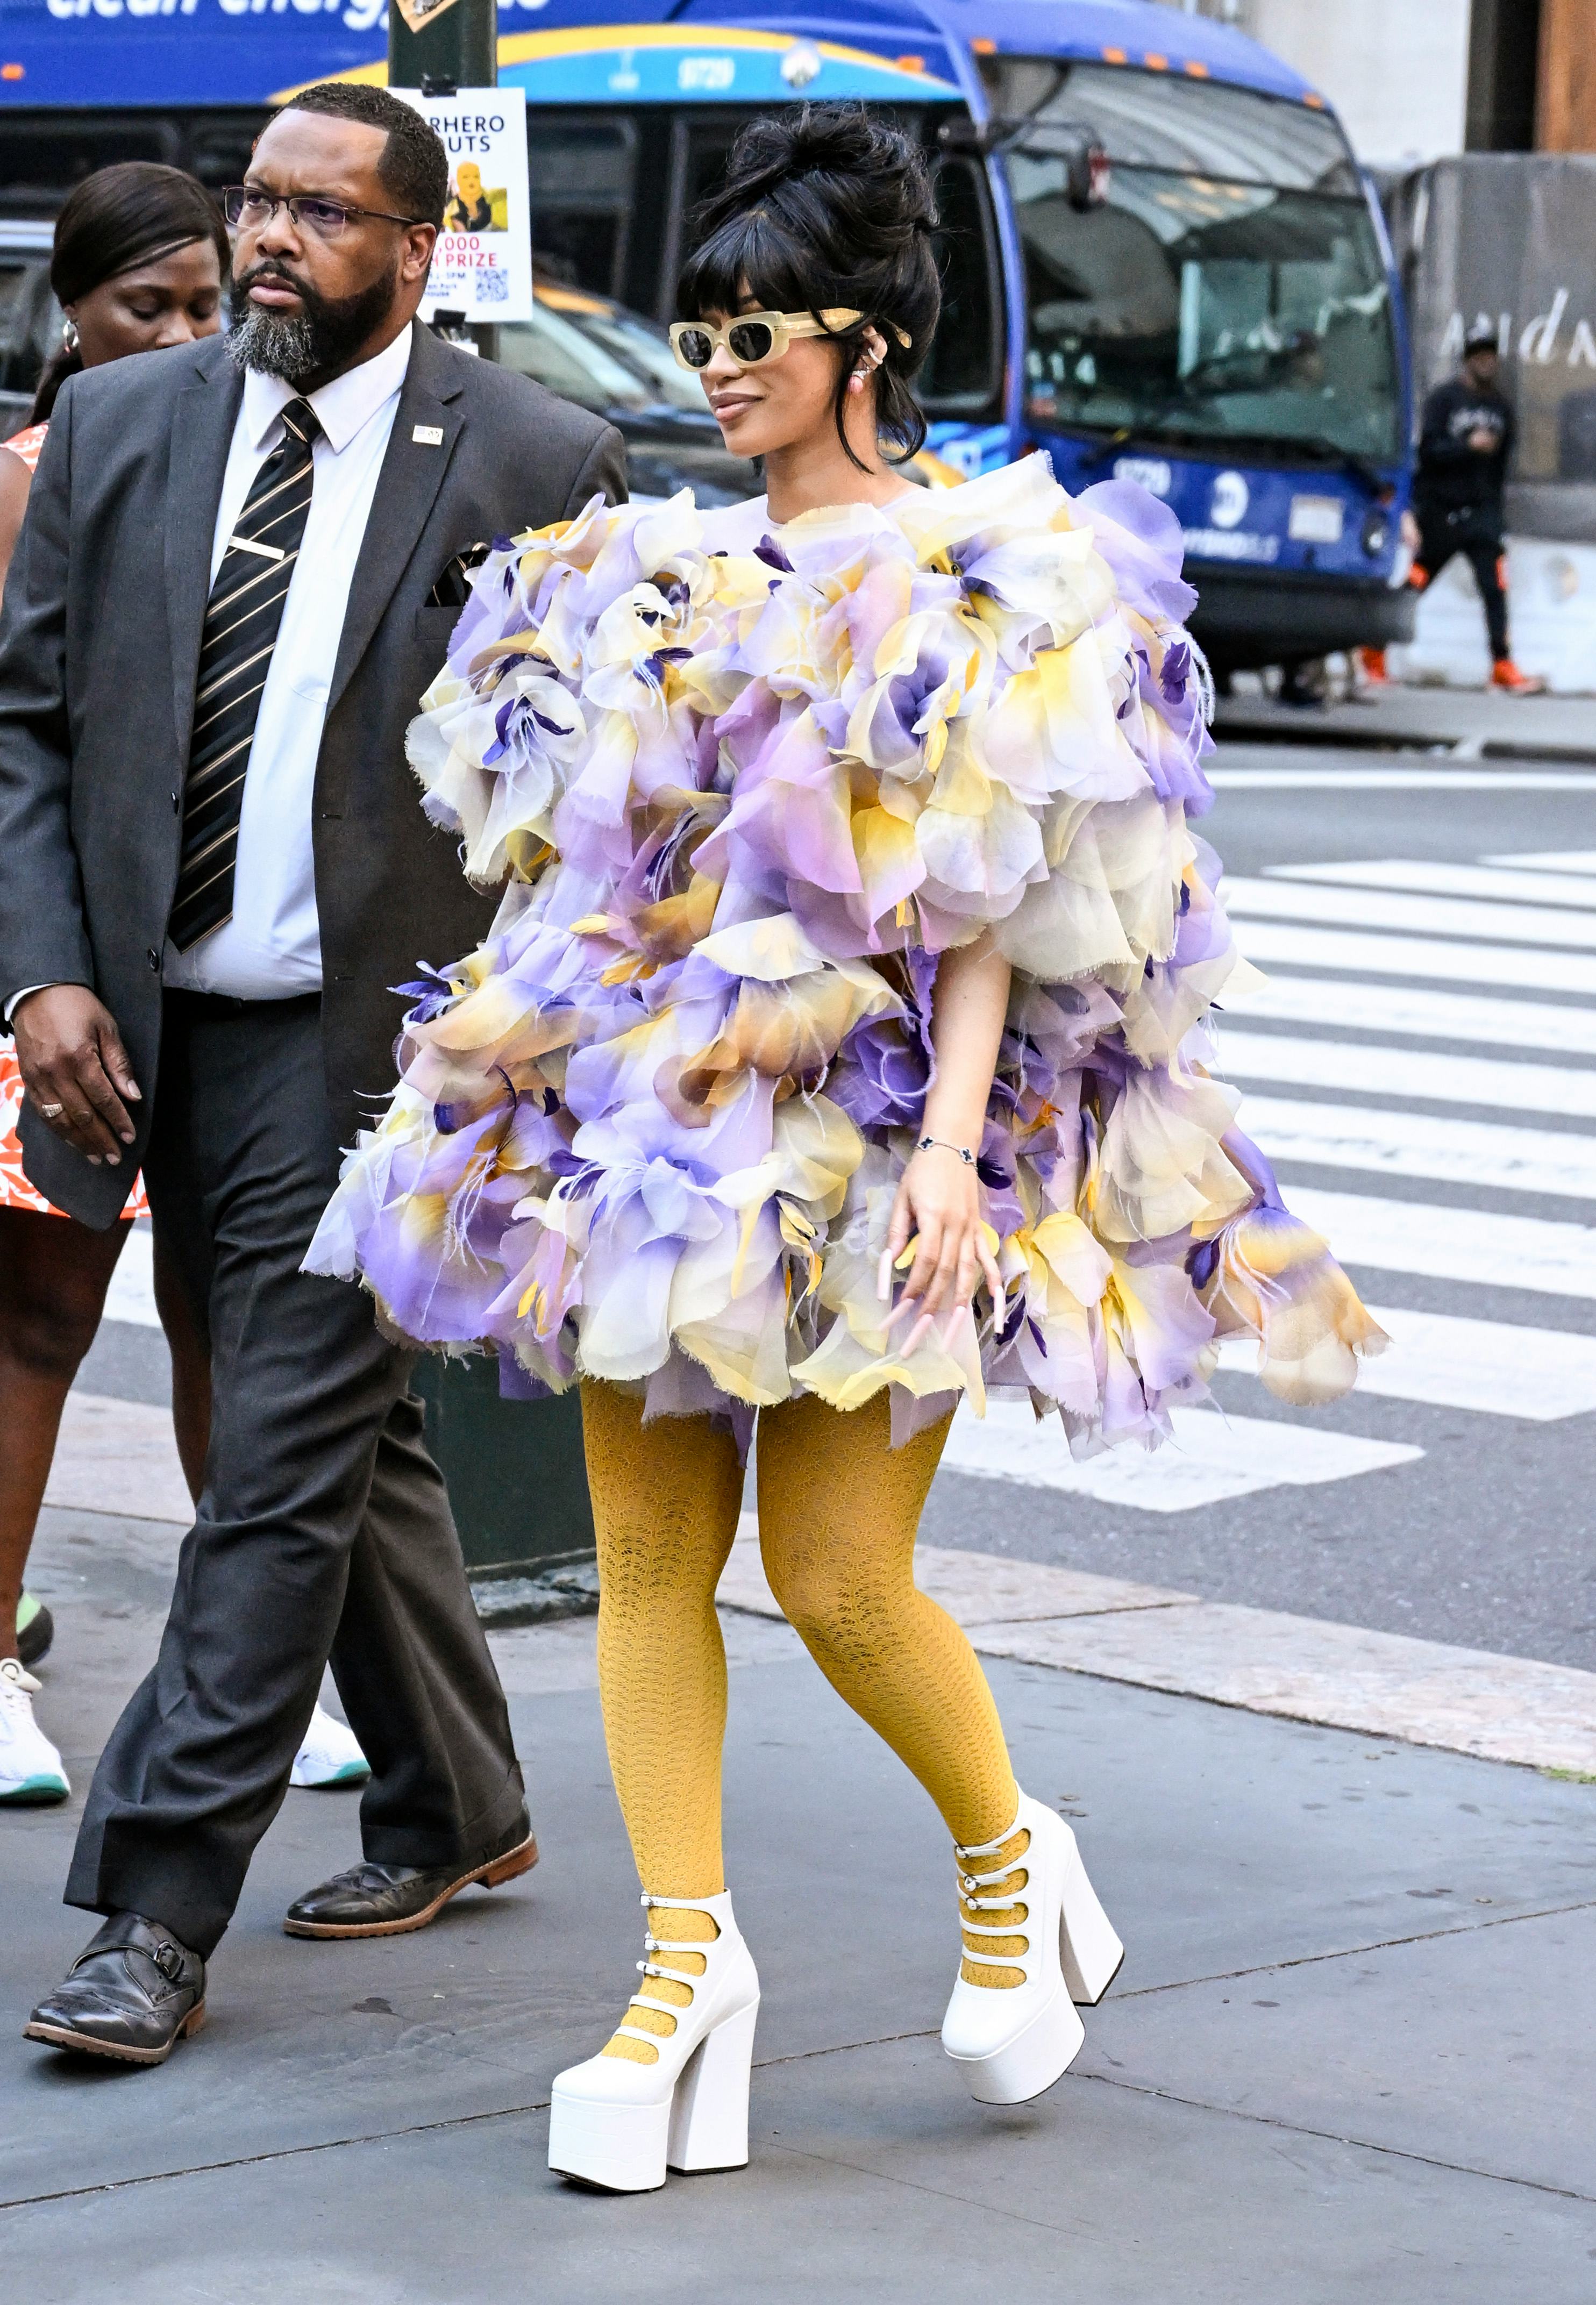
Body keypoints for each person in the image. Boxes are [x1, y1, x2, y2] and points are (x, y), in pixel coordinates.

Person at [310, 104, 1385, 2189]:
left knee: (835, 1568)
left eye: (755, 322)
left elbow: (987, 911)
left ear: (863, 342)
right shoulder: (658, 562)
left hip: (876, 1120)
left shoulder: (984, 571)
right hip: (657, 1113)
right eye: (700, 322)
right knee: (644, 1556)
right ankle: (683, 1970)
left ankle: (1017, 1872)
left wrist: (962, 1169)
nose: (716, 359)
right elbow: (591, 863)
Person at [0, 80, 626, 2066]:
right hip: (143, 1020)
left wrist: (514, 1045)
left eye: (320, 216)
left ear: (417, 247)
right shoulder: (119, 422)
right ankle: (459, 1794)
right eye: (258, 205)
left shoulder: (534, 455)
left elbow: (585, 800)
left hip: (377, 1046)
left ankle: (154, 1906)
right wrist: (39, 982)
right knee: (341, 1440)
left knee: (267, 1461)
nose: (271, 242)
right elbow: (25, 723)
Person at [0, 163, 228, 1809]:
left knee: (241, 1335)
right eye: (145, 305)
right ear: (70, 316)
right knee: (36, 1320)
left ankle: (255, 1677)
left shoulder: (267, 471)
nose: (183, 334)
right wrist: (37, 973)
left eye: (206, 304)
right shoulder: (22, 481)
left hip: (220, 973)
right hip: (51, 972)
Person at [1409, 328, 1543, 694]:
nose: (1486, 361)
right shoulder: (1445, 399)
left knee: (1495, 586)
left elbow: (1500, 467)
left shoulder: (1501, 407)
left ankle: (1501, 663)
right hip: (1444, 510)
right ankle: (1374, 646)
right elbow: (1429, 452)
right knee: (1419, 577)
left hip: (1483, 512)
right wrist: (1467, 447)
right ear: (1467, 359)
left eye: (1491, 355)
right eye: (1479, 354)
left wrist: (1496, 515)